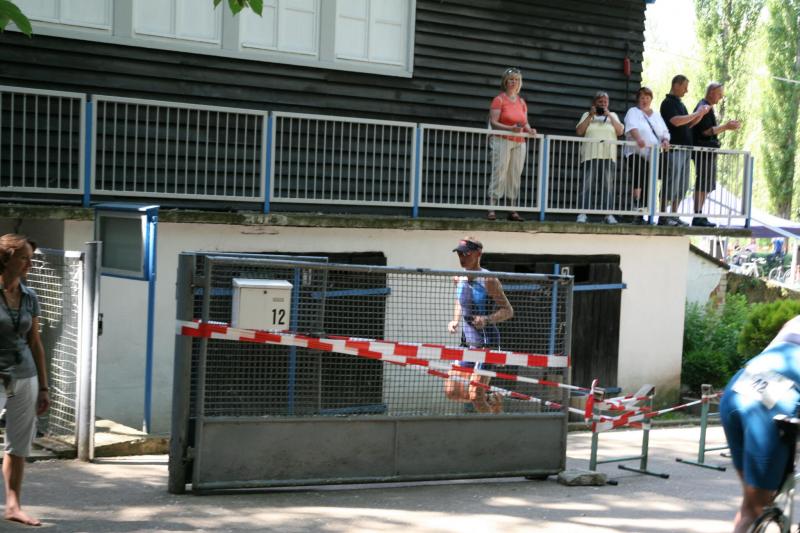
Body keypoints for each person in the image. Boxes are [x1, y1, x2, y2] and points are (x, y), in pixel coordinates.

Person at [720, 315, 800, 532]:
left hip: (738, 389)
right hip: (773, 404)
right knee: (759, 505)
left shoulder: (795, 321)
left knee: (751, 506)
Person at [0, 234, 49, 527]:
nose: (30, 264)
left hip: (25, 375)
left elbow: (35, 343)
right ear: (6, 259)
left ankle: (13, 506)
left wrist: (44, 386)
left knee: (18, 445)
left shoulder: (30, 296)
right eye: (24, 258)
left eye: (31, 258)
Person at [446, 237, 513, 413]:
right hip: (467, 342)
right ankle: (491, 398)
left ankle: (489, 420)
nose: (462, 258)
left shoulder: (489, 279)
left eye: (466, 254)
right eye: (459, 254)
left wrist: (487, 319)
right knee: (452, 392)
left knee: (476, 396)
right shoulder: (458, 277)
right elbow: (460, 300)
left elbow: (508, 310)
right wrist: (455, 320)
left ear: (478, 254)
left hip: (487, 343)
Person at [659, 75, 711, 226]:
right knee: (671, 183)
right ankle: (663, 216)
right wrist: (696, 113)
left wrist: (701, 114)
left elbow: (689, 123)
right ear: (676, 85)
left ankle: (674, 215)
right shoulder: (667, 103)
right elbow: (676, 121)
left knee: (682, 185)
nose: (687, 90)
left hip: (685, 150)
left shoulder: (680, 104)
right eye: (685, 87)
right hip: (674, 150)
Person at [488, 67, 537, 222]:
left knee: (515, 174)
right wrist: (510, 129)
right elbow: (493, 122)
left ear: (519, 83)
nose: (513, 82)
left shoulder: (521, 102)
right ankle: (492, 208)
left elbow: (525, 122)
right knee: (500, 171)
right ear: (505, 82)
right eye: (510, 79)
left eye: (516, 80)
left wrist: (530, 130)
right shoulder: (499, 99)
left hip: (519, 141)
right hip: (502, 139)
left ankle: (512, 209)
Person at [691, 82, 741, 227]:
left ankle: (699, 214)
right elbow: (706, 131)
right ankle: (697, 215)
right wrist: (726, 127)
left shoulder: (708, 107)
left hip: (708, 152)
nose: (720, 97)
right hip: (702, 151)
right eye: (719, 94)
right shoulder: (703, 107)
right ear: (711, 92)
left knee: (707, 184)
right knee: (703, 183)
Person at [623, 86, 671, 224]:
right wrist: (638, 139)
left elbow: (664, 132)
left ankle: (646, 211)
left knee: (651, 180)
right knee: (641, 172)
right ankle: (637, 208)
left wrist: (665, 140)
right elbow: (632, 127)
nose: (645, 100)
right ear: (638, 99)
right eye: (642, 97)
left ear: (651, 99)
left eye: (647, 97)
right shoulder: (633, 112)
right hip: (635, 152)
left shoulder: (656, 116)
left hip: (653, 155)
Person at [575, 91, 625, 224]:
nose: (603, 104)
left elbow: (620, 131)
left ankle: (608, 214)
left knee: (608, 186)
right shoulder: (587, 115)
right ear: (594, 103)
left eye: (605, 102)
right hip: (590, 154)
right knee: (586, 184)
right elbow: (579, 131)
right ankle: (583, 213)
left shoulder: (613, 115)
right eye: (600, 102)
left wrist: (609, 115)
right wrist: (590, 115)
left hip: (608, 155)